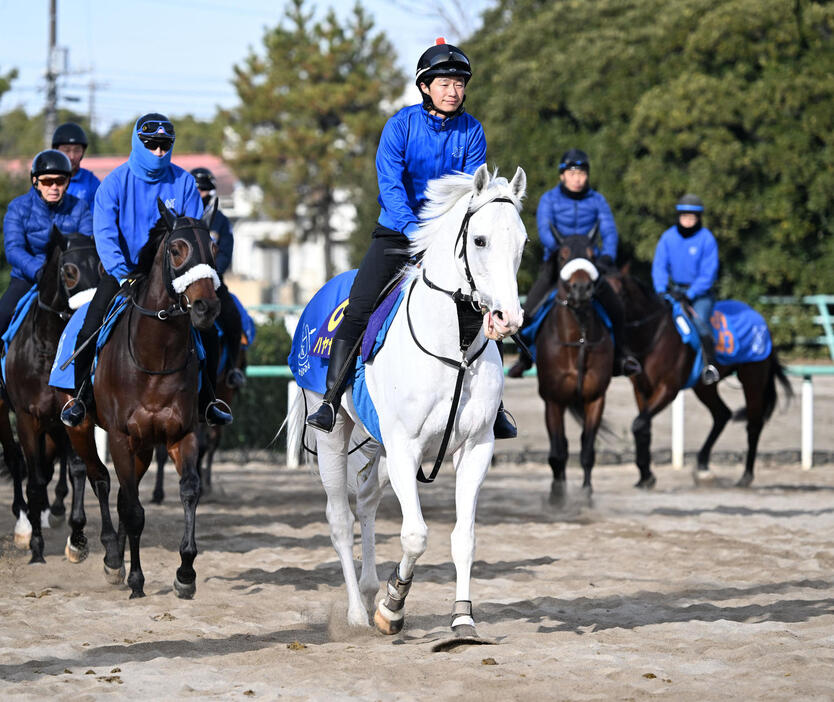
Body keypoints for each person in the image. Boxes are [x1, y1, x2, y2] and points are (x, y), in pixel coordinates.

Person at [306, 38, 516, 439]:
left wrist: (444, 237)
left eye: (459, 83)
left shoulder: (473, 131)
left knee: (489, 304)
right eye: (444, 83)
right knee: (360, 306)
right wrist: (417, 233)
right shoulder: (399, 126)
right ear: (424, 86)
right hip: (398, 233)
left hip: (450, 239)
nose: (454, 91)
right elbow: (391, 186)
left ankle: (497, 407)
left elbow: (472, 190)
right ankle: (331, 400)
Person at [60, 113, 232, 427]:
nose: (158, 152)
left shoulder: (183, 183)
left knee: (209, 329)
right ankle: (82, 397)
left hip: (173, 277)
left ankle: (208, 398)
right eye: (151, 144)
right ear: (138, 143)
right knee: (88, 326)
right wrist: (119, 270)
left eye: (165, 145)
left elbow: (194, 234)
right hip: (122, 273)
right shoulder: (113, 182)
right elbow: (105, 233)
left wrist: (190, 274)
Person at [507, 148, 640, 378]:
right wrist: (562, 251)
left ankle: (621, 355)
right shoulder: (549, 199)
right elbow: (545, 230)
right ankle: (524, 357)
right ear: (562, 176)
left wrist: (607, 255)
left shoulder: (598, 200)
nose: (577, 178)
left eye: (581, 173)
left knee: (617, 307)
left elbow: (609, 231)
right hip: (558, 262)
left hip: (590, 264)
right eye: (572, 173)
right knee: (528, 311)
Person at [0, 150, 92, 341]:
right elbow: (13, 249)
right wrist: (40, 271)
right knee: (2, 316)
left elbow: (85, 246)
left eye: (60, 181)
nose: (54, 187)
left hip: (70, 279)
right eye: (47, 181)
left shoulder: (80, 207)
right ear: (35, 182)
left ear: (67, 183)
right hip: (29, 277)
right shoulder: (18, 207)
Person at [652, 194, 720, 385]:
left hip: (700, 295)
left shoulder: (706, 239)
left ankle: (710, 367)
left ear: (699, 218)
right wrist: (660, 289)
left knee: (700, 323)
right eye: (684, 216)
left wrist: (690, 293)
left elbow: (709, 272)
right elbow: (659, 266)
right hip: (672, 291)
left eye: (692, 217)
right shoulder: (668, 237)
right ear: (678, 217)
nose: (688, 220)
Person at [190, 166, 245, 389]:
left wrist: (212, 275)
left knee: (233, 319)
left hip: (213, 282)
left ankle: (233, 368)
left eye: (204, 189)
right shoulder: (182, 219)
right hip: (185, 285)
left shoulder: (221, 221)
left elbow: (225, 251)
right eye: (196, 189)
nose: (200, 193)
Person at [52, 122, 101, 209]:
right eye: (66, 150)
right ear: (56, 151)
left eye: (77, 150)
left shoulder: (91, 181)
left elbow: (97, 216)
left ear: (83, 152)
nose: (72, 156)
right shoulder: (44, 180)